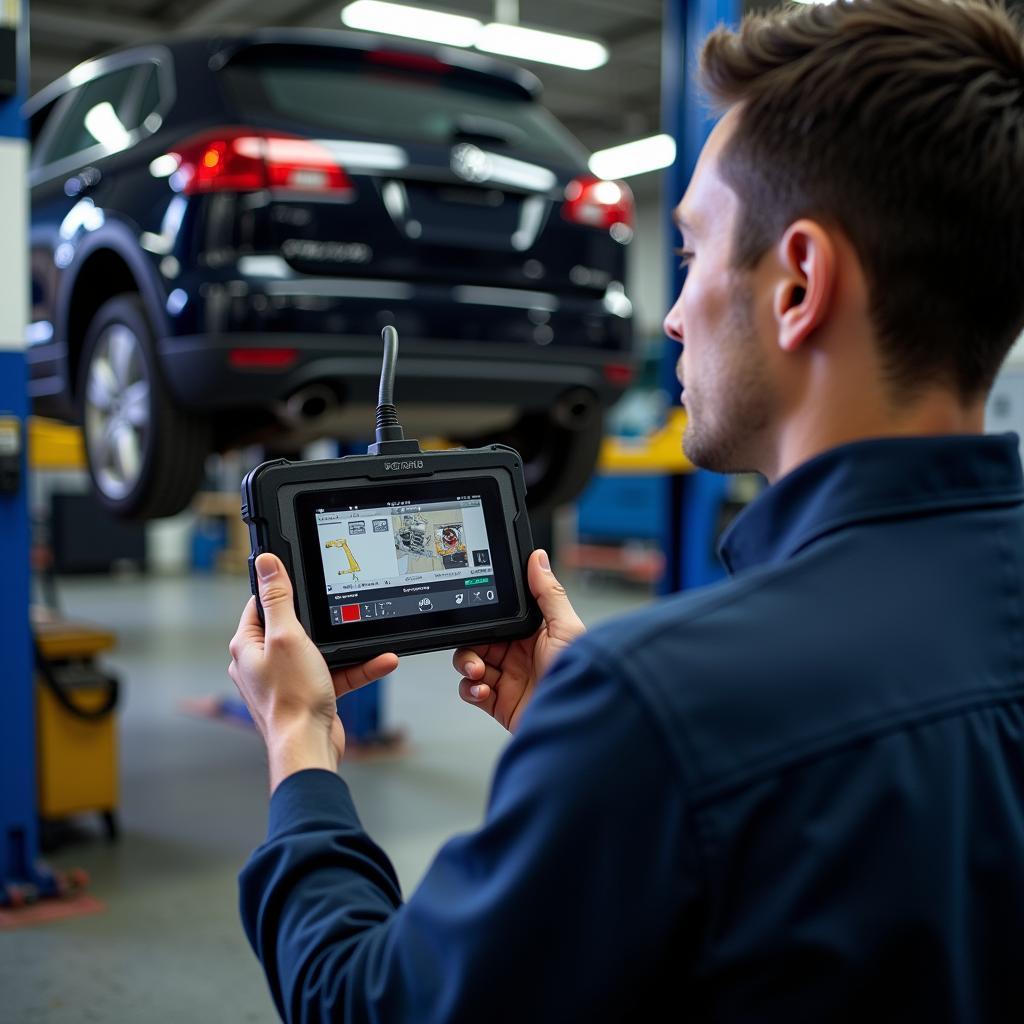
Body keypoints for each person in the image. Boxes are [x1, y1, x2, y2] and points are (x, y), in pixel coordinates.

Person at [228, 0, 1024, 1019]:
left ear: (798, 286)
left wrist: (299, 737)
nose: (671, 313)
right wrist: (608, 774)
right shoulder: (655, 719)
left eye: (689, 256)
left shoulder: (662, 709)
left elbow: (365, 1004)